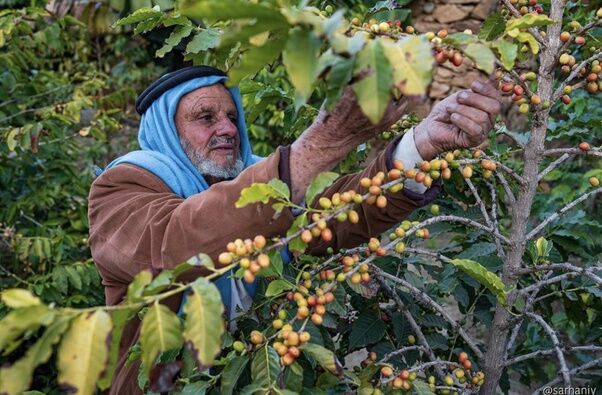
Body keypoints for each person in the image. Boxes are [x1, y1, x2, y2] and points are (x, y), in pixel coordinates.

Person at [88, 65, 502, 394]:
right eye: (205, 117)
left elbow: (336, 216)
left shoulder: (263, 190)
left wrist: (420, 144)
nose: (228, 128)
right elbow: (174, 245)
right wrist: (321, 145)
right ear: (167, 134)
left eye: (232, 116)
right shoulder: (122, 188)